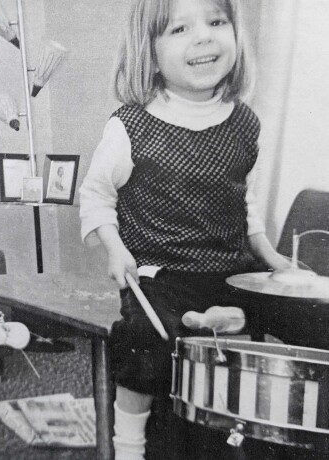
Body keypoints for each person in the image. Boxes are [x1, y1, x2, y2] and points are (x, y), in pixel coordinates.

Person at [79, 0, 291, 458]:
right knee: (146, 339)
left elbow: (244, 200)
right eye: (179, 29)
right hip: (163, 275)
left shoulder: (244, 122)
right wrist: (115, 250)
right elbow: (96, 196)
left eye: (217, 22)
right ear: (149, 53)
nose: (203, 37)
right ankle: (130, 442)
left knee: (300, 318)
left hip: (233, 269)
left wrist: (270, 256)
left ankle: (257, 426)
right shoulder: (130, 126)